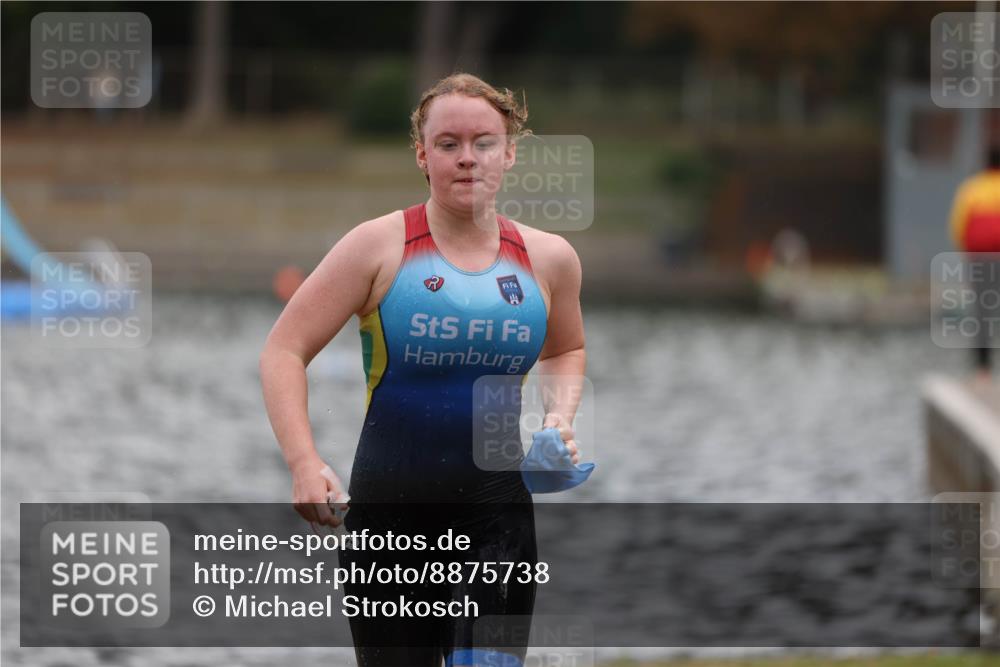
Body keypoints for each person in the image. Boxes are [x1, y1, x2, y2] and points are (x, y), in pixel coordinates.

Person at [259, 72, 587, 666]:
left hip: (497, 519)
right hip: (390, 521)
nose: (468, 159)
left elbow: (565, 349)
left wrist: (557, 419)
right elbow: (284, 350)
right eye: (448, 143)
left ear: (510, 152)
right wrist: (304, 464)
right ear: (422, 154)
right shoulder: (377, 248)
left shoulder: (549, 259)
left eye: (484, 142)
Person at [949, 145, 1000, 383]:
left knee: (982, 312)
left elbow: (958, 225)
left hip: (981, 259)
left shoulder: (971, 189)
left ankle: (983, 369)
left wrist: (965, 253)